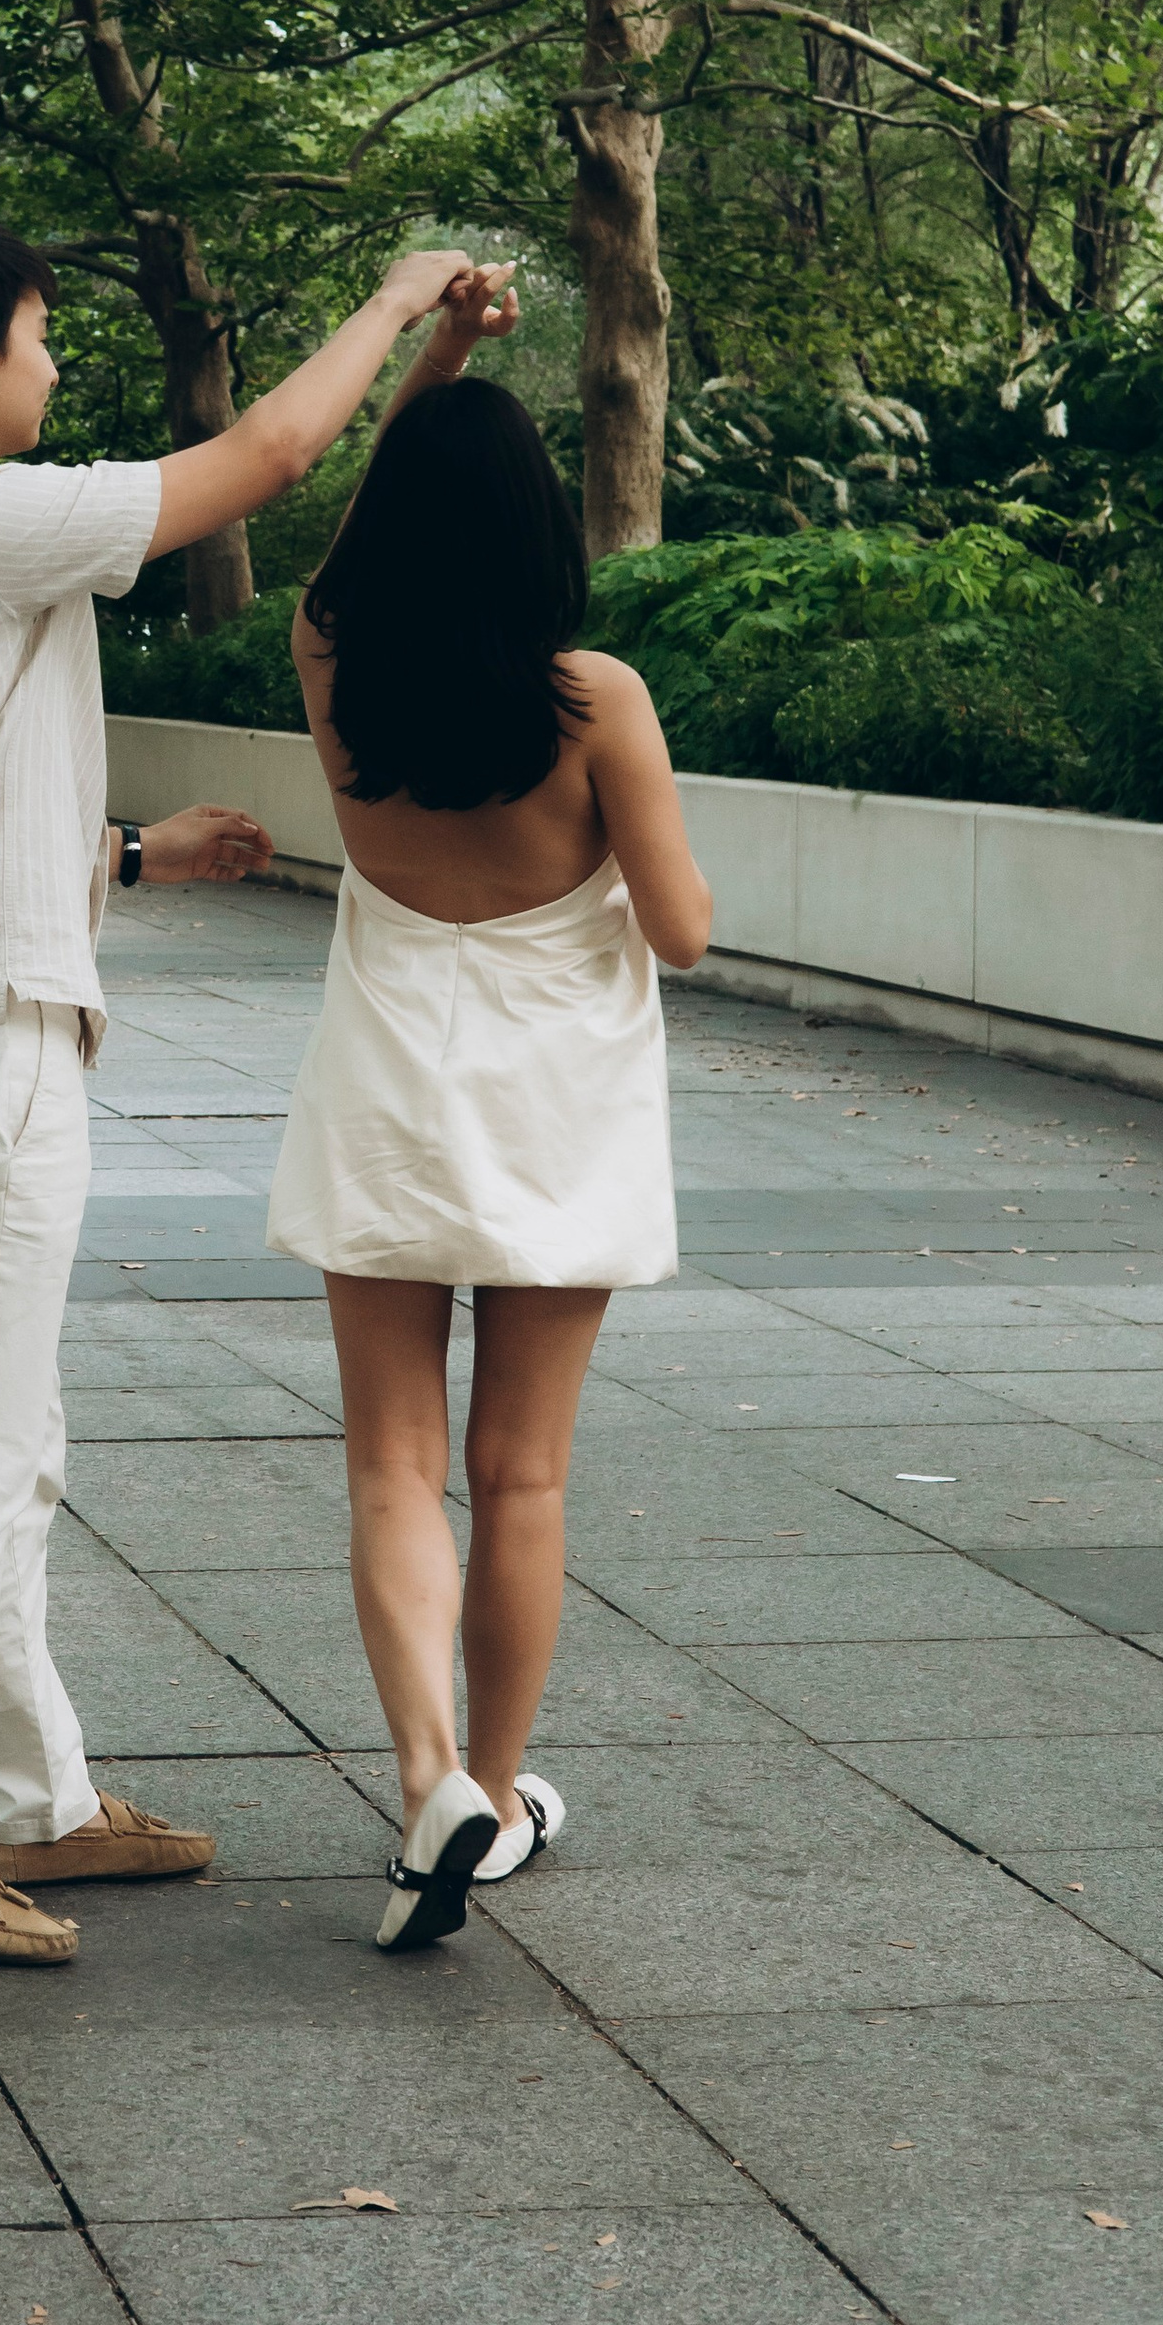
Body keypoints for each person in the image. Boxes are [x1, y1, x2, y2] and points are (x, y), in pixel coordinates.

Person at [0, 210, 484, 1971]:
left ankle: (28, 1798)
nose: (52, 361)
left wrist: (127, 851)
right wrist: (402, 298)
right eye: (36, 330)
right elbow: (260, 457)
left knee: (4, 1448)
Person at [266, 274, 712, 1956]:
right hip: (556, 1107)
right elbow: (678, 931)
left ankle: (427, 1775)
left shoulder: (334, 658)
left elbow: (358, 536)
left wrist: (434, 352)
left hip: (386, 1084)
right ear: (538, 534)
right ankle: (504, 1792)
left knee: (392, 1465)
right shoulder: (594, 700)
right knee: (518, 1476)